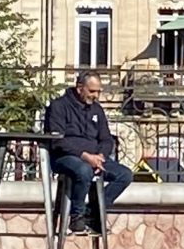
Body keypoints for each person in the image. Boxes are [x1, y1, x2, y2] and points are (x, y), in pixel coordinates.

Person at [44, 71, 133, 232]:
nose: (96, 95)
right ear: (80, 88)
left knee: (124, 175)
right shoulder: (58, 106)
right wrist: (85, 156)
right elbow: (57, 140)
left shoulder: (96, 110)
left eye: (98, 91)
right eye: (92, 91)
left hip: (95, 157)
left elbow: (106, 139)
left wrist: (100, 156)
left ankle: (93, 212)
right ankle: (77, 216)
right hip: (66, 157)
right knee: (84, 170)